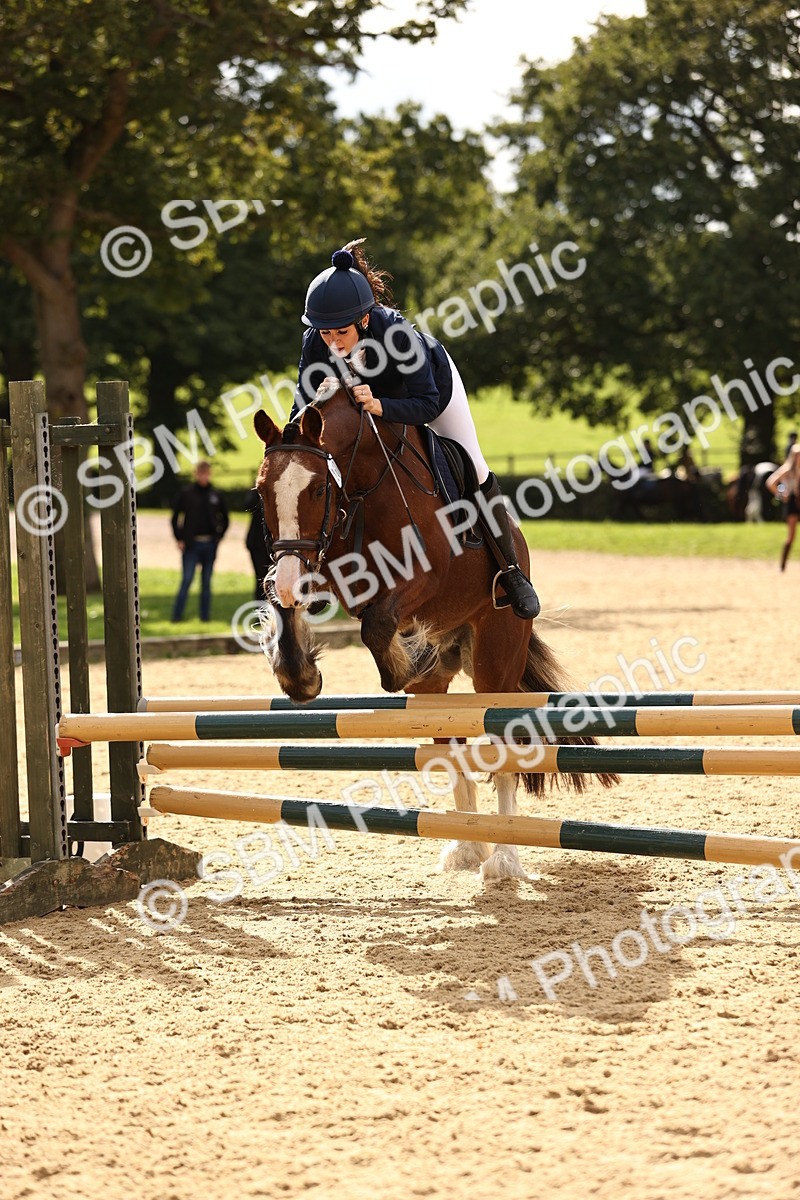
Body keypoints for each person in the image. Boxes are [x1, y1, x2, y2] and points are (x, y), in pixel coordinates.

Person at [289, 239, 540, 619]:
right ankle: (319, 571)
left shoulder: (398, 336)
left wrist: (381, 406)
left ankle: (510, 571)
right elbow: (301, 405)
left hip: (429, 392)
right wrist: (292, 443)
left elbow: (428, 403)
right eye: (326, 334)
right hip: (368, 402)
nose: (333, 343)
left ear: (364, 320)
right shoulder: (317, 339)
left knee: (473, 465)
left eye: (341, 333)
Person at [170, 461, 229, 621]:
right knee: (187, 579)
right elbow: (175, 517)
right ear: (195, 474)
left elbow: (225, 518)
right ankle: (177, 616)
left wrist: (219, 536)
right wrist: (179, 538)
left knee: (206, 582)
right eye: (200, 473)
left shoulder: (215, 495)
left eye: (206, 473)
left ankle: (205, 616)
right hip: (191, 545)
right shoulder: (186, 494)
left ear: (209, 474)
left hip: (210, 544)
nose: (203, 476)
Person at [766, 445, 800, 571]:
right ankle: (783, 564)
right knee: (791, 536)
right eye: (798, 455)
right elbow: (771, 482)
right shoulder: (787, 469)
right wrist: (781, 494)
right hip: (791, 502)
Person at [245, 488, 271, 601]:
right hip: (257, 543)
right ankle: (260, 615)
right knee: (260, 581)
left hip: (275, 544)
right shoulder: (258, 492)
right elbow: (248, 505)